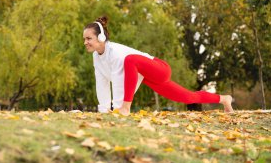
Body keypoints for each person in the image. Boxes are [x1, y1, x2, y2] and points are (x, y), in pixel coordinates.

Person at [83, 16, 234, 115]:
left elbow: (118, 81)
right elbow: (101, 83)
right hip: (147, 76)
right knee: (188, 97)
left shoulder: (114, 51)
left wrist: (118, 109)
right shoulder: (97, 57)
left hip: (159, 68)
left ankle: (125, 108)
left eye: (89, 38)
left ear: (101, 37)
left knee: (130, 60)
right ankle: (224, 99)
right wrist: (103, 111)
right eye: (84, 39)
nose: (85, 42)